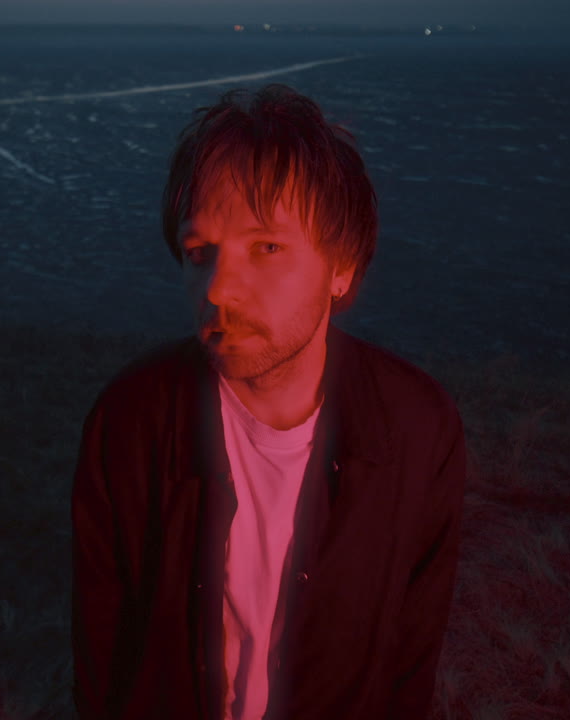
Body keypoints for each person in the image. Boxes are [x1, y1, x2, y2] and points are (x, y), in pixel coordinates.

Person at [71, 83, 466, 720]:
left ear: (343, 268)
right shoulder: (129, 421)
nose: (220, 289)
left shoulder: (418, 431)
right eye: (200, 253)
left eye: (268, 247)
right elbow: (102, 644)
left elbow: (412, 654)